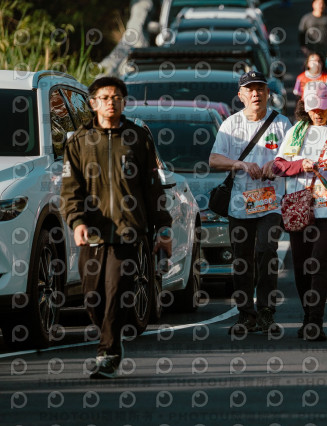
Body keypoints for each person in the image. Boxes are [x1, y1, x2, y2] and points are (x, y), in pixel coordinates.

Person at [61, 76, 172, 379]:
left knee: (117, 290)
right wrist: (77, 221)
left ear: (123, 102)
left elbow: (153, 188)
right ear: (93, 103)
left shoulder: (138, 138)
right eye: (105, 97)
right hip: (93, 233)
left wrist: (163, 228)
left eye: (117, 98)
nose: (111, 102)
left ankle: (108, 352)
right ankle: (110, 338)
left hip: (129, 231)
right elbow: (70, 190)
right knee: (92, 296)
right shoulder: (79, 141)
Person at [273, 81, 327, 341]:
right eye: (312, 108)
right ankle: (307, 316)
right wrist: (300, 164)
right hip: (299, 206)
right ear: (305, 107)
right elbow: (278, 166)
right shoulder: (295, 132)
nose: (318, 113)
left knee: (319, 261)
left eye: (322, 107)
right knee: (301, 266)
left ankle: (315, 322)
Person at [209, 71, 292, 336]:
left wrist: (275, 165)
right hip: (239, 203)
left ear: (268, 93)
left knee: (266, 251)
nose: (256, 93)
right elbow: (214, 159)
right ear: (241, 95)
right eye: (250, 89)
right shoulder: (230, 124)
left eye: (260, 89)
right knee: (241, 259)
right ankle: (246, 314)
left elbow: (293, 157)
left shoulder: (282, 123)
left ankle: (266, 312)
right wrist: (240, 164)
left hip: (271, 201)